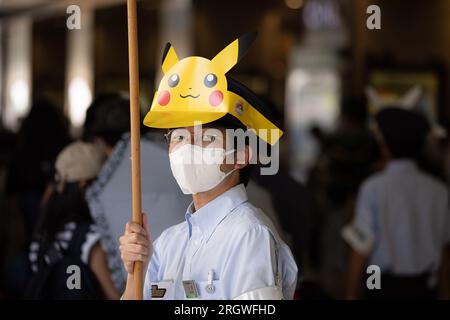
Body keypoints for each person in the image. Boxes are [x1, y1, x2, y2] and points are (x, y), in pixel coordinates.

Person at [119, 33, 298, 300]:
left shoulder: (249, 235)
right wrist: (136, 270)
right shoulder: (168, 243)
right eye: (179, 137)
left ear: (241, 156)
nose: (187, 148)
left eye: (206, 138)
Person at [342, 106, 450, 299]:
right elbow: (444, 252)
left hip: (380, 285)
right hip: (424, 288)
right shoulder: (439, 191)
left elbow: (361, 247)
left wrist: (351, 295)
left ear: (385, 144)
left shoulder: (373, 187)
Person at [26, 142, 120, 299]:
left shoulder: (42, 234)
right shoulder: (89, 239)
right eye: (103, 184)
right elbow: (114, 297)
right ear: (85, 187)